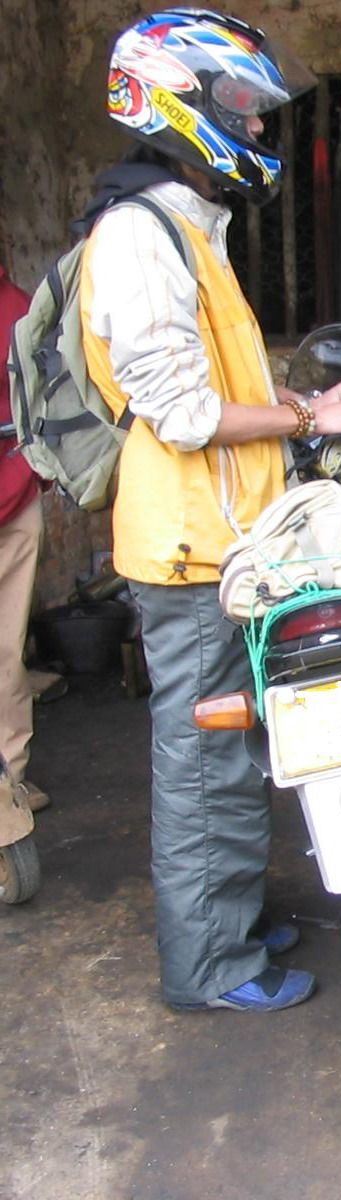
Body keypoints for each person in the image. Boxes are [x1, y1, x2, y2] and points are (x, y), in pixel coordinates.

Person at [79, 9, 341, 1011]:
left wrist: (302, 420)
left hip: (230, 547)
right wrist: (305, 411)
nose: (257, 129)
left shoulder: (186, 229)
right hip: (188, 551)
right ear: (181, 106)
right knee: (205, 764)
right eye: (243, 109)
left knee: (239, 745)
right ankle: (209, 967)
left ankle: (235, 920)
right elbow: (183, 409)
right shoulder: (137, 236)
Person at [0, 262, 49, 814]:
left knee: (5, 652)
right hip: (16, 489)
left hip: (12, 498)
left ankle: (10, 780)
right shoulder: (18, 305)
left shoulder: (18, 308)